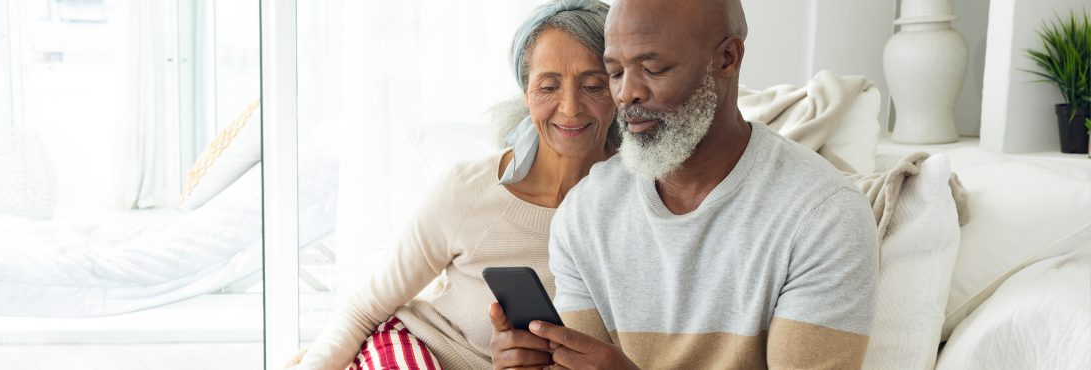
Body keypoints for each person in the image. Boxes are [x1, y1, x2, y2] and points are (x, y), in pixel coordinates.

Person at [489, 0, 880, 368]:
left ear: (727, 58)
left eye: (653, 68)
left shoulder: (823, 215)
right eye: (615, 72)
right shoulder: (586, 213)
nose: (627, 93)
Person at [289, 1, 616, 369]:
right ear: (525, 93)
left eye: (593, 85)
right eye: (548, 86)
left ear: (620, 88)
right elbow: (363, 309)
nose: (570, 107)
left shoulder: (637, 204)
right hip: (418, 348)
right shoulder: (468, 191)